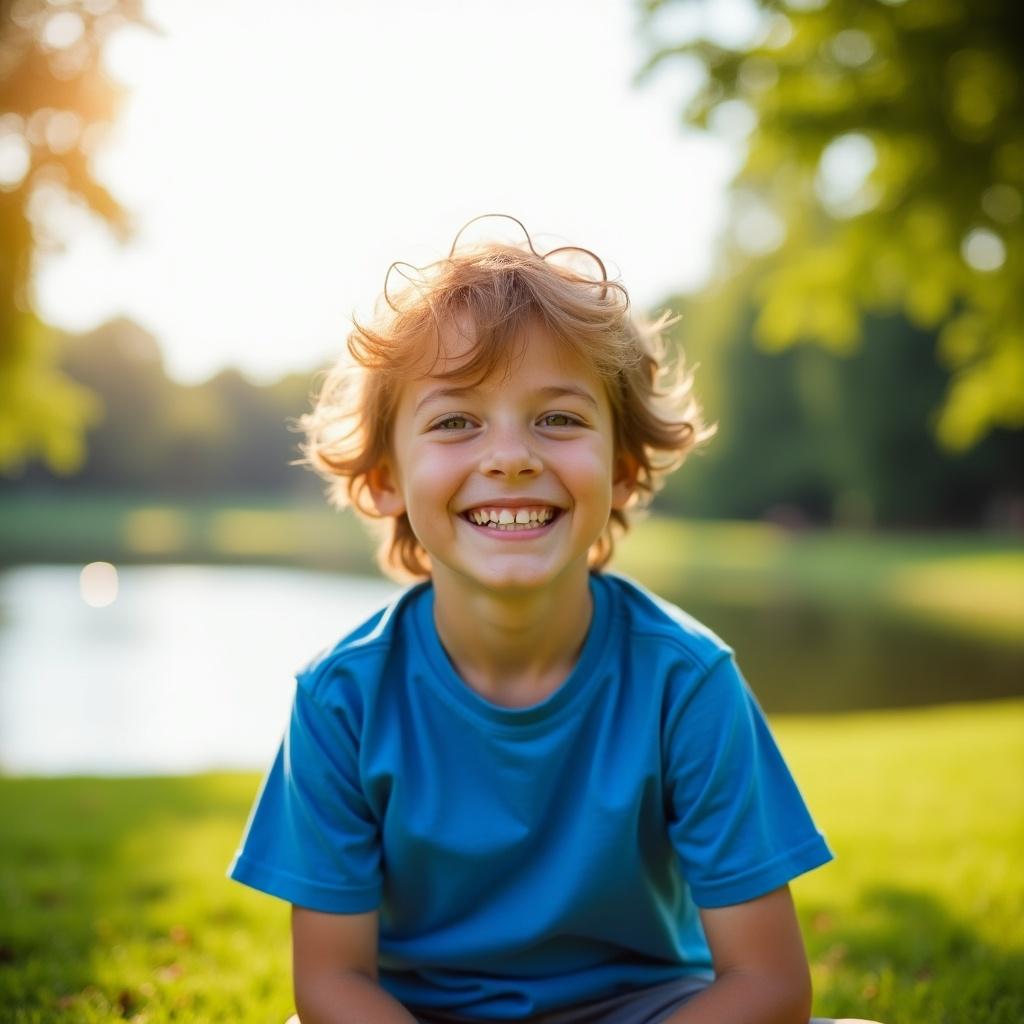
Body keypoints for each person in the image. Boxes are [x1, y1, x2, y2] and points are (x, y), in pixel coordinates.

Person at [228, 217, 883, 1024]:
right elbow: (332, 984)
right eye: (456, 421)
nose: (511, 456)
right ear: (383, 478)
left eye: (559, 418)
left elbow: (768, 985)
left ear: (621, 465)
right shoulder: (341, 696)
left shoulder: (687, 679)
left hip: (642, 1009)